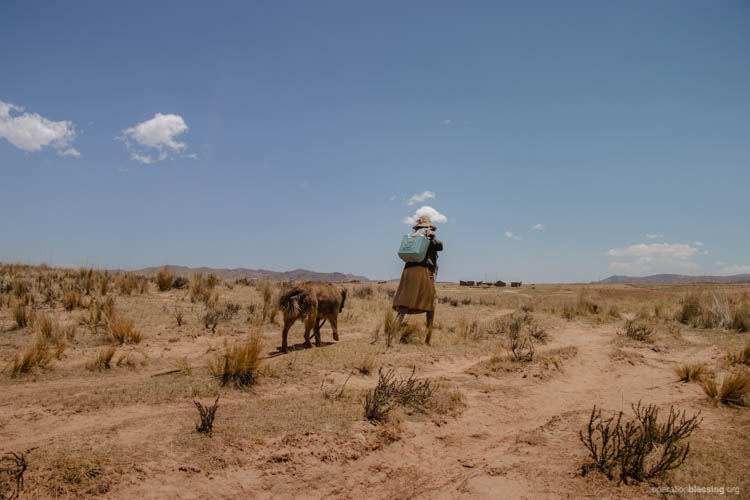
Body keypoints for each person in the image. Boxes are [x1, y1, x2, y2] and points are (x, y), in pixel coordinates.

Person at [392, 215, 443, 335]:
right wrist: (432, 235)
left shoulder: (413, 237)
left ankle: (394, 327)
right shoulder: (428, 236)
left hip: (408, 271)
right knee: (430, 300)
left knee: (406, 300)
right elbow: (440, 246)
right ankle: (429, 329)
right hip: (422, 271)